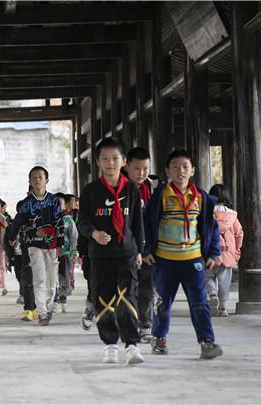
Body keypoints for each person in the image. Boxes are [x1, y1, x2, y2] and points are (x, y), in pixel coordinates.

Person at [143, 149, 223, 359]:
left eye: (185, 166)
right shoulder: (160, 196)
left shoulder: (201, 198)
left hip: (193, 260)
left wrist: (213, 253)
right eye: (175, 166)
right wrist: (146, 250)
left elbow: (212, 228)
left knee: (200, 303)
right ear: (167, 171)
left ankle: (207, 342)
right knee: (163, 303)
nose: (181, 171)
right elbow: (146, 224)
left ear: (193, 171)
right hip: (164, 261)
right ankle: (159, 338)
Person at [77, 137, 145, 365]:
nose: (110, 163)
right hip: (101, 255)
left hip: (126, 253)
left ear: (124, 161)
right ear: (97, 162)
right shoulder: (90, 191)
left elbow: (137, 223)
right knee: (103, 300)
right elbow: (82, 221)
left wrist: (140, 250)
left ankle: (132, 345)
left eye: (115, 158)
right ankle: (110, 345)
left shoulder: (132, 189)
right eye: (105, 159)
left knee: (128, 300)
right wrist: (94, 234)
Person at [7, 166, 63, 326]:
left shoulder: (54, 201)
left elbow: (59, 222)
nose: (37, 180)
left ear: (47, 180)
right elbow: (19, 224)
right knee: (39, 279)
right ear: (30, 181)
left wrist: (60, 244)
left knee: (52, 281)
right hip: (33, 245)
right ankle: (42, 312)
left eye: (40, 177)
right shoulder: (25, 204)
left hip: (52, 245)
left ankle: (49, 306)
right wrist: (23, 234)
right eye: (34, 177)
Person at [125, 147, 160, 342]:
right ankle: (128, 323)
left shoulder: (155, 189)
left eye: (145, 168)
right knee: (128, 288)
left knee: (147, 287)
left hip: (149, 248)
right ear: (127, 167)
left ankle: (145, 325)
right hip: (126, 247)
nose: (141, 173)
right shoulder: (119, 189)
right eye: (137, 169)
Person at [207, 184, 243, 317]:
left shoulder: (207, 213)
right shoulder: (232, 215)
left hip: (210, 253)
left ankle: (212, 294)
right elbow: (239, 233)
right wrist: (237, 249)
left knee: (208, 276)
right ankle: (223, 307)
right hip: (227, 253)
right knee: (224, 281)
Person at [55, 195, 78, 313]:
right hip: (51, 254)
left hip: (65, 252)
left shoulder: (68, 219)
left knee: (64, 276)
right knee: (52, 277)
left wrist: (74, 252)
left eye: (61, 204)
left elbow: (73, 237)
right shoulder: (46, 219)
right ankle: (53, 300)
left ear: (64, 206)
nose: (59, 206)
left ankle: (62, 300)